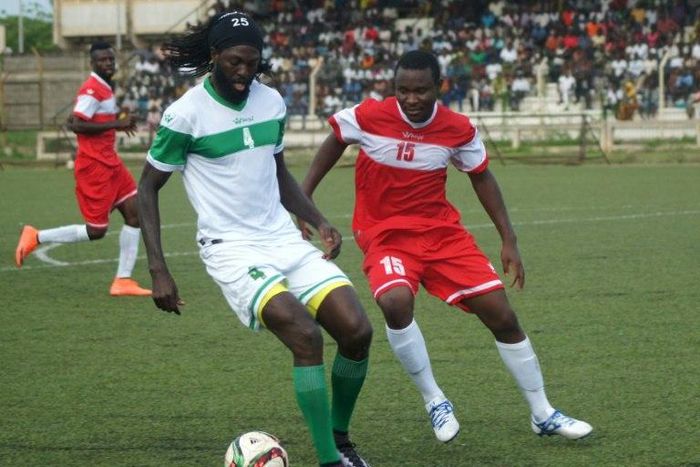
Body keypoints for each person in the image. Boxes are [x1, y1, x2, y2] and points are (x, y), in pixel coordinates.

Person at [301, 50, 593, 444]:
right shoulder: (369, 116)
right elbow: (335, 140)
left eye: (421, 90)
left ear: (439, 87)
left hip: (442, 234)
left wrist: (509, 239)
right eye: (402, 90)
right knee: (395, 302)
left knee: (502, 314)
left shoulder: (458, 128)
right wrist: (303, 199)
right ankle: (435, 399)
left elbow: (482, 177)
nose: (411, 99)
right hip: (385, 235)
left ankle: (542, 413)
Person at [137, 12, 372, 467]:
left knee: (357, 331)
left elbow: (277, 171)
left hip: (283, 238)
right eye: (234, 62)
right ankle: (329, 461)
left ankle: (340, 439)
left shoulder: (272, 102)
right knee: (306, 336)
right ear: (214, 57)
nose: (244, 72)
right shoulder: (186, 114)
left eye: (253, 62)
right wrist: (158, 269)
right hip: (231, 248)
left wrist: (317, 218)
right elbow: (147, 187)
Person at [15, 41, 151, 297]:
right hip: (94, 167)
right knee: (96, 231)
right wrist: (117, 123)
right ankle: (36, 236)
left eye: (111, 59)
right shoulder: (92, 89)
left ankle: (123, 280)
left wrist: (115, 121)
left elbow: (78, 118)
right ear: (93, 63)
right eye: (102, 60)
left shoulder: (104, 87)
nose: (108, 63)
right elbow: (77, 125)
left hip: (111, 163)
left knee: (135, 214)